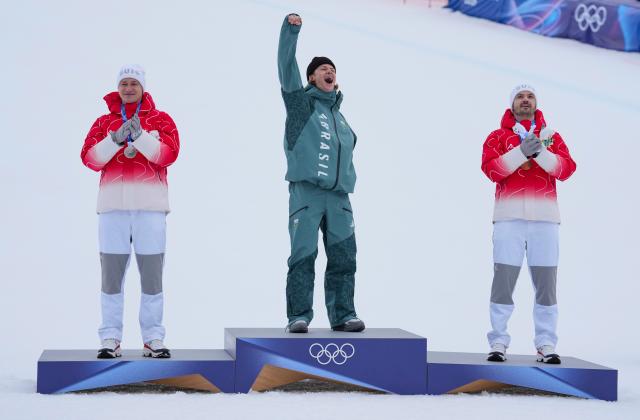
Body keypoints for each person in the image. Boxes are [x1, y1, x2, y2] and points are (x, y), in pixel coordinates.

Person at [81, 65, 179, 358]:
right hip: (113, 208)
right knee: (111, 278)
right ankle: (110, 337)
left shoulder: (161, 120)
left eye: (133, 83)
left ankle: (153, 338)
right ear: (118, 87)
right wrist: (113, 139)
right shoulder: (103, 122)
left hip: (150, 208)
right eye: (123, 83)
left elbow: (168, 155)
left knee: (152, 277)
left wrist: (140, 137)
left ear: (143, 87)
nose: (128, 88)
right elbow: (89, 159)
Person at [278, 14, 364, 333]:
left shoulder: (341, 118)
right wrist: (291, 31)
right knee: (303, 256)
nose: (328, 71)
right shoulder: (302, 106)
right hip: (307, 193)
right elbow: (286, 68)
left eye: (332, 69)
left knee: (344, 257)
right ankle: (298, 315)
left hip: (339, 198)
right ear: (312, 78)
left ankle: (343, 315)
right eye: (321, 69)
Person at [481, 84, 576, 364]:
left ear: (536, 103)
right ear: (512, 104)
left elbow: (567, 169)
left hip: (544, 220)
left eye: (530, 96)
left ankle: (546, 342)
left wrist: (540, 154)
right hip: (509, 219)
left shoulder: (550, 137)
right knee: (503, 282)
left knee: (546, 284)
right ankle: (498, 340)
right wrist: (520, 152)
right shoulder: (498, 137)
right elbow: (492, 170)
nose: (525, 100)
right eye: (520, 97)